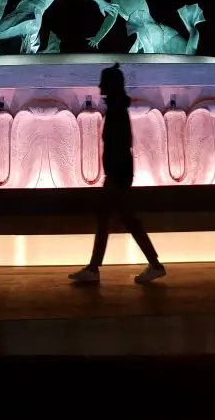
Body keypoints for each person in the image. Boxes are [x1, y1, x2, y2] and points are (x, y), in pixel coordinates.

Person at [70, 64, 167, 284]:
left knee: (115, 219)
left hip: (117, 174)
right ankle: (152, 264)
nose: (99, 86)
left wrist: (114, 176)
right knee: (122, 220)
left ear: (111, 85)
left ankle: (96, 269)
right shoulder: (116, 108)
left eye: (103, 82)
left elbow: (121, 144)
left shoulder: (116, 110)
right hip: (118, 173)